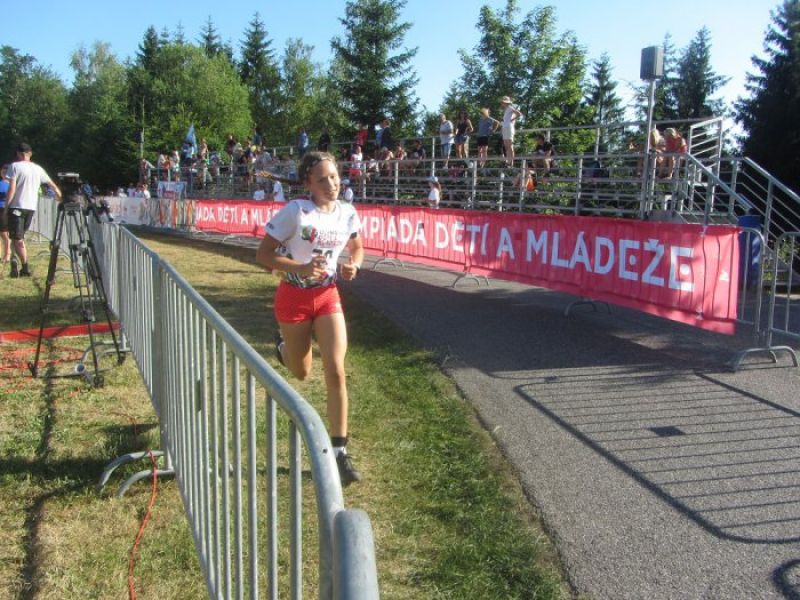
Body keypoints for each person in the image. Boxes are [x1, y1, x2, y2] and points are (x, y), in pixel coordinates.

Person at [255, 151, 365, 486]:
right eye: (322, 179)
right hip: (293, 296)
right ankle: (284, 349)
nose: (331, 184)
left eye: (334, 176)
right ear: (308, 184)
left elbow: (357, 246)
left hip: (328, 295)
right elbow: (263, 255)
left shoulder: (347, 211)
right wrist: (300, 267)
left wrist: (353, 264)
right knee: (301, 373)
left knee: (336, 370)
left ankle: (339, 452)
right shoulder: (295, 212)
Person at [4, 143, 62, 278]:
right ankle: (14, 261)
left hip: (17, 206)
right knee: (17, 236)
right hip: (30, 207)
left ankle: (25, 267)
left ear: (18, 153)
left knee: (17, 238)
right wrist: (59, 197)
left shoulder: (15, 166)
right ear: (31, 153)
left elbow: (12, 188)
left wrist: (7, 206)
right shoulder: (38, 169)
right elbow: (52, 184)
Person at [500, 96, 523, 167]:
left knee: (509, 145)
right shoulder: (506, 109)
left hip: (509, 128)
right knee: (506, 146)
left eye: (503, 102)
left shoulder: (510, 108)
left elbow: (519, 114)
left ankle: (511, 162)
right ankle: (508, 161)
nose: (502, 103)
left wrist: (512, 120)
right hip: (505, 127)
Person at [0, 165, 10, 264]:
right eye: (3, 170)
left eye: (6, 171)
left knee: (4, 233)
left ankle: (7, 254)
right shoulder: (0, 183)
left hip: (5, 210)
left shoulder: (12, 184)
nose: (4, 172)